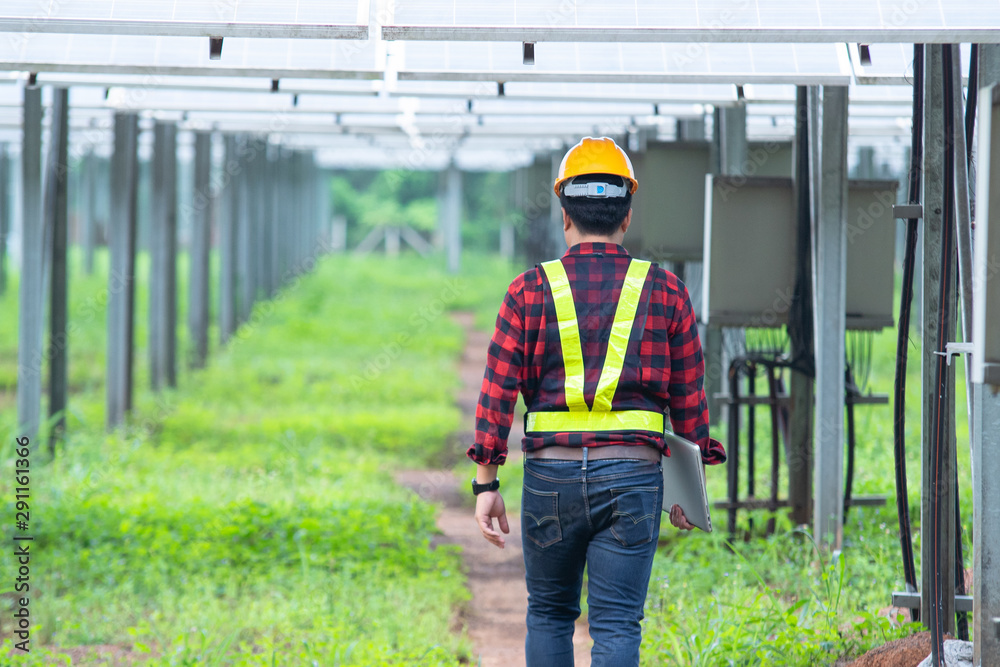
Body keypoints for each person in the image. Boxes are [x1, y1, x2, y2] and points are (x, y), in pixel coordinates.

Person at [467, 136, 726, 667]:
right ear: (626, 215)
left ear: (564, 214)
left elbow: (496, 393)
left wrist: (486, 484)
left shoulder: (527, 290)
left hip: (550, 482)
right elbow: (690, 401)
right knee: (616, 624)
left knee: (549, 614)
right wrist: (689, 491)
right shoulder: (667, 291)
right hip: (634, 480)